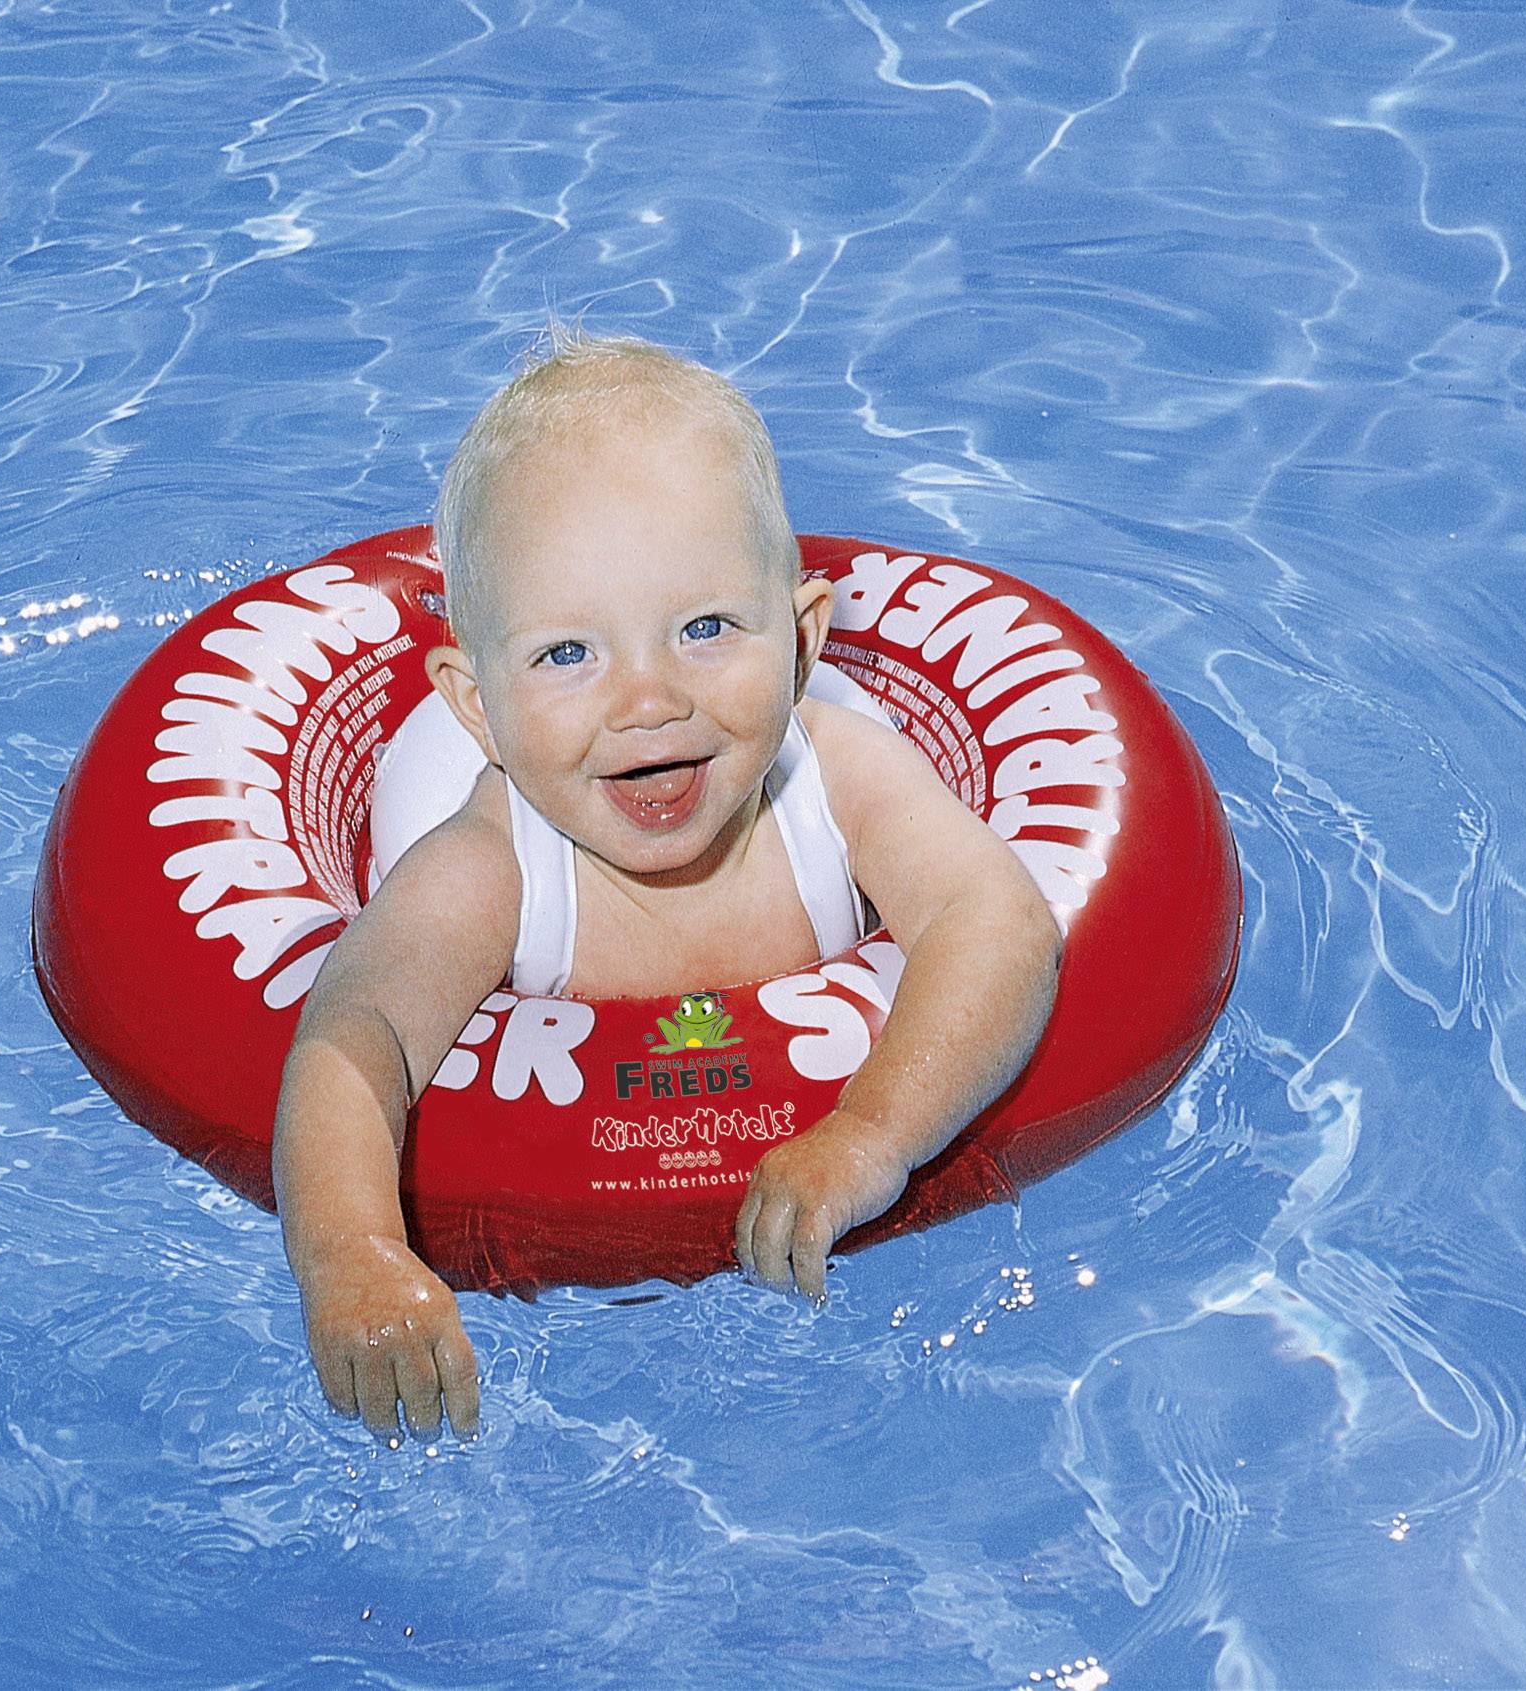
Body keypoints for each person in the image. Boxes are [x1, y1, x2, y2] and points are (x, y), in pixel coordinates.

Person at [270, 332, 1062, 1443]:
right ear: (473, 705)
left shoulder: (840, 777)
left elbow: (1002, 922)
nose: (648, 702)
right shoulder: (490, 863)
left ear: (801, 638)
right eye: (565, 655)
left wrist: (872, 1133)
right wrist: (352, 1254)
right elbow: (353, 1040)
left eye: (704, 629)